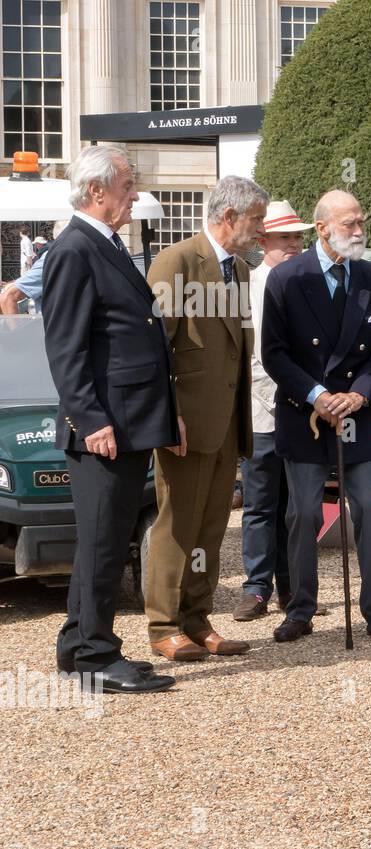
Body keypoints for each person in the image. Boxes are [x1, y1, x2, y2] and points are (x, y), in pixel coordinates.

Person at [42, 144, 178, 693]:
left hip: (127, 421)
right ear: (96, 191)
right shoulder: (74, 249)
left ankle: (79, 646)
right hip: (105, 426)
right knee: (102, 544)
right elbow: (66, 350)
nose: (135, 194)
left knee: (103, 540)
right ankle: (96, 657)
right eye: (127, 185)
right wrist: (91, 420)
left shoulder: (104, 244)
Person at [260, 190, 371, 644]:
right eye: (350, 224)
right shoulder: (285, 278)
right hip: (304, 411)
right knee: (303, 513)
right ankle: (300, 609)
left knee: (368, 509)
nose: (359, 231)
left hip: (356, 413)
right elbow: (275, 354)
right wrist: (317, 394)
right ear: (322, 228)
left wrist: (359, 396)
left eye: (362, 222)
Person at [144, 175, 267, 662]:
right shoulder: (176, 261)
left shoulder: (236, 267)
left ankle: (196, 620)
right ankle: (163, 625)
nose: (260, 230)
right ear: (229, 216)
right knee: (178, 525)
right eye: (256, 220)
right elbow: (154, 350)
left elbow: (235, 348)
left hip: (226, 424)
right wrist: (167, 418)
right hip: (186, 427)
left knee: (211, 528)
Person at [232, 200, 313, 622]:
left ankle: (293, 588)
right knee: (261, 503)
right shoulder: (249, 286)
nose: (296, 244)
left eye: (299, 237)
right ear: (263, 241)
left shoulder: (305, 283)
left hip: (300, 411)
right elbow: (254, 358)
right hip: (265, 412)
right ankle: (257, 587)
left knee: (297, 506)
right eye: (287, 238)